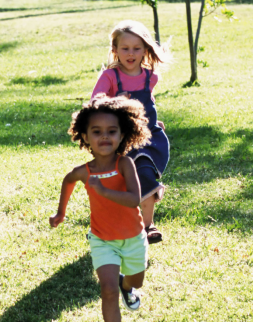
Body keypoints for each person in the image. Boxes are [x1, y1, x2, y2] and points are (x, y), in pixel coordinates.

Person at [50, 95, 152, 322]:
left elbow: (134, 199)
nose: (104, 136)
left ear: (122, 134)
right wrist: (61, 212)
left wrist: (104, 191)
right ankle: (117, 288)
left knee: (136, 282)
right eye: (97, 131)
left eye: (111, 131)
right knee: (107, 291)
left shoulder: (125, 164)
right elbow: (68, 180)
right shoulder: (84, 171)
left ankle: (126, 286)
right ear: (85, 137)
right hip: (102, 240)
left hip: (133, 238)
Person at [91, 20, 172, 244]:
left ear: (146, 50)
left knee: (145, 175)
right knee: (119, 182)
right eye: (124, 48)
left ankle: (147, 226)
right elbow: (96, 101)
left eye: (136, 48)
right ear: (115, 50)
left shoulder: (150, 77)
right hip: (120, 141)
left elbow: (148, 102)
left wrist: (155, 120)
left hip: (148, 139)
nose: (130, 53)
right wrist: (117, 104)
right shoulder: (110, 77)